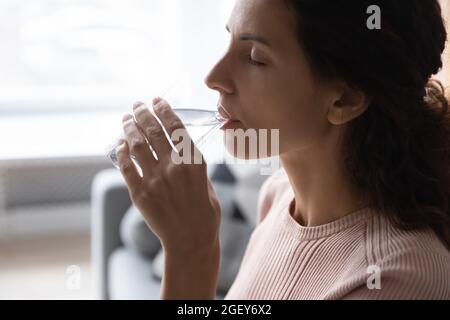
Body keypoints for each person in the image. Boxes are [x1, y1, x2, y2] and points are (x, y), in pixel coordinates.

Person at [116, 0, 450, 299]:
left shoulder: (397, 279)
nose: (213, 77)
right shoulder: (277, 196)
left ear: (344, 99)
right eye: (229, 39)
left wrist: (190, 254)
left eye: (255, 58)